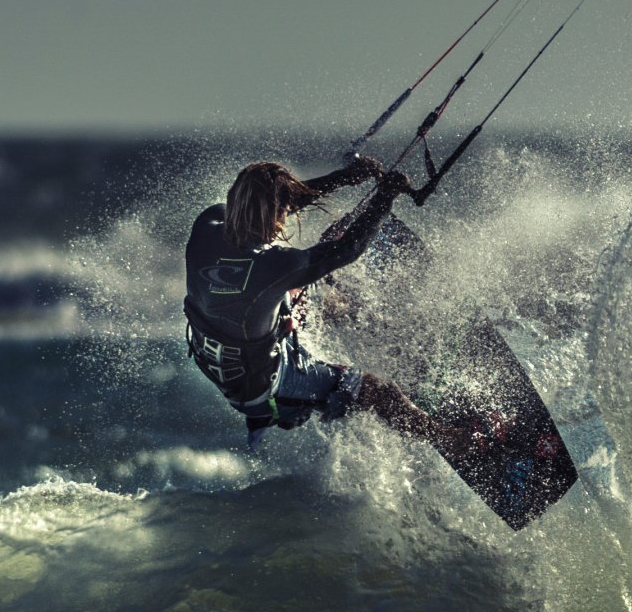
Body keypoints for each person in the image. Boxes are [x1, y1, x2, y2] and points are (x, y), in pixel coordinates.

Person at [183, 156, 452, 449]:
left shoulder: (206, 226)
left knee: (308, 281)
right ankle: (454, 440)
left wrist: (344, 177)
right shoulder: (274, 266)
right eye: (284, 210)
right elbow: (348, 250)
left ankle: (337, 325)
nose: (286, 217)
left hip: (222, 362)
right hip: (265, 391)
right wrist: (385, 197)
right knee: (376, 390)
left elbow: (276, 206)